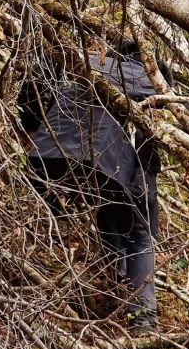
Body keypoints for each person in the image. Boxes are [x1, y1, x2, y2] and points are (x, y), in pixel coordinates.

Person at [19, 43, 162, 333]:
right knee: (140, 234)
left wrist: (33, 127)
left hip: (52, 155)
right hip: (111, 164)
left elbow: (37, 76)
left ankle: (115, 280)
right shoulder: (147, 78)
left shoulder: (84, 60)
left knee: (111, 211)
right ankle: (143, 319)